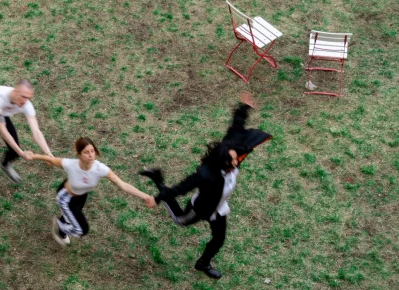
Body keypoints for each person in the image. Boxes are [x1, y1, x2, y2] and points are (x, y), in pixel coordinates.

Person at [140, 92, 271, 279]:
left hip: (218, 208)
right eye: (232, 161)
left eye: (236, 159)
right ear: (222, 161)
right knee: (179, 220)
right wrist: (157, 198)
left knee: (219, 239)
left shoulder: (230, 150)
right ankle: (158, 181)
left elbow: (236, 127)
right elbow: (181, 188)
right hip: (201, 208)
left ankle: (203, 263)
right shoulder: (205, 174)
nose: (236, 163)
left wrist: (244, 107)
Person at [30, 137, 157, 246]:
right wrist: (32, 156)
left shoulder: (100, 168)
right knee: (81, 229)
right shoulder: (71, 164)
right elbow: (51, 160)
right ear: (79, 154)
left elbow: (121, 184)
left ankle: (62, 229)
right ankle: (59, 227)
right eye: (86, 152)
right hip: (66, 198)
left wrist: (145, 196)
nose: (91, 155)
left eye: (92, 151)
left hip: (81, 196)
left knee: (72, 216)